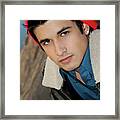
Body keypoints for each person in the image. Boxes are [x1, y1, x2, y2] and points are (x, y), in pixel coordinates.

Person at [24, 20, 100, 100]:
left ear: (85, 28)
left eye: (64, 34)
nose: (59, 51)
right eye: (46, 42)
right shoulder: (52, 78)